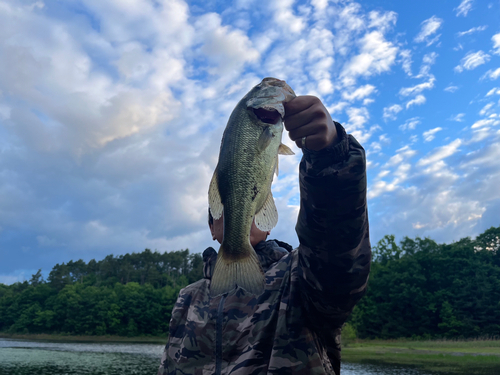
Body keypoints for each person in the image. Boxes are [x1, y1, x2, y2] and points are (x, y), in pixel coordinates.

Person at [158, 96, 371, 375]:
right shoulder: (188, 297)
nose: (238, 209)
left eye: (251, 198)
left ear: (267, 220)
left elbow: (338, 249)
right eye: (223, 208)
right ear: (212, 228)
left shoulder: (299, 277)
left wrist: (330, 157)